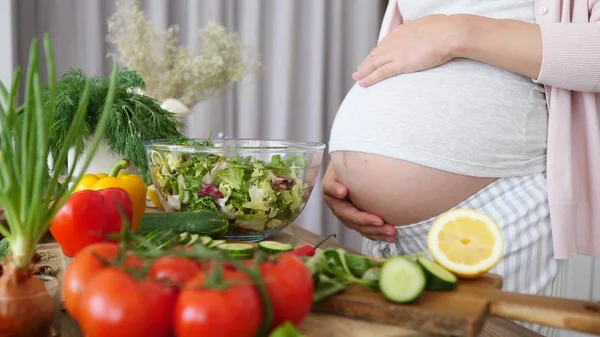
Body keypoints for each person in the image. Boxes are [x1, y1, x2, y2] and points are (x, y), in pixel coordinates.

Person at [323, 1, 600, 336]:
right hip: (385, 231)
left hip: (499, 211)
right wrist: (352, 157)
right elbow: (405, 46)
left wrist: (460, 31)